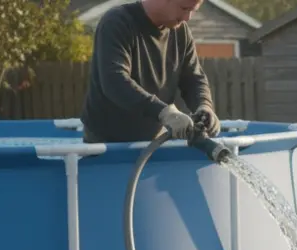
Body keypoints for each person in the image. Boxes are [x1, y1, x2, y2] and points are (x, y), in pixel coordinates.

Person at [79, 0, 222, 144]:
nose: (187, 17)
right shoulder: (117, 22)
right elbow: (115, 82)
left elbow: (193, 79)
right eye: (184, 8)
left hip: (154, 142)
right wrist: (164, 113)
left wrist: (204, 105)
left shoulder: (181, 32)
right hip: (106, 144)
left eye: (193, 10)